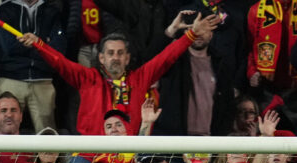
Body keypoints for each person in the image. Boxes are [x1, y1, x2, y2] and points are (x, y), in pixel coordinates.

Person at [19, 12, 219, 135]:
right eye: (110, 53)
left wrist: (191, 35)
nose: (115, 57)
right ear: (102, 58)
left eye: (120, 53)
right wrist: (39, 45)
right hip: (90, 155)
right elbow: (59, 62)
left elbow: (166, 57)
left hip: (130, 156)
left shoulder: (140, 78)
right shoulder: (87, 78)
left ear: (127, 58)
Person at [0, 0, 66, 133]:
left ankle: (49, 161)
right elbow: (7, 47)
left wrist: (34, 43)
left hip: (43, 80)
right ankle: (1, 161)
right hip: (11, 79)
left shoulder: (52, 12)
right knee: (2, 131)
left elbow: (58, 50)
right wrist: (42, 44)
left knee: (47, 134)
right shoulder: (5, 10)